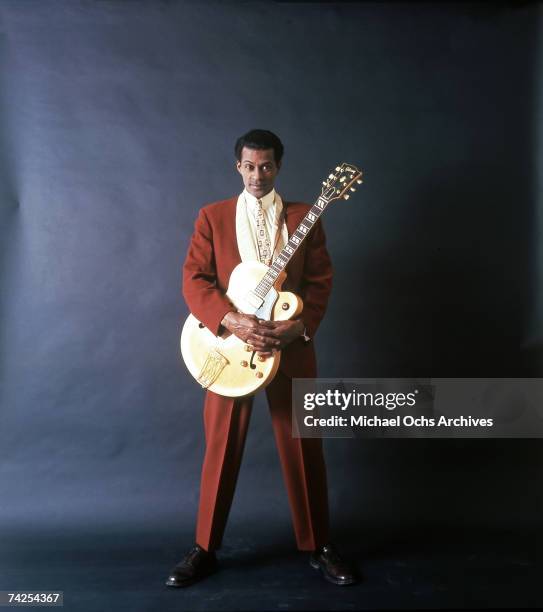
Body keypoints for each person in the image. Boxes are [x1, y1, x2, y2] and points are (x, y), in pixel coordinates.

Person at [166, 129, 357, 587]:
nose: (257, 175)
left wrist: (299, 326)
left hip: (288, 348)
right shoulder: (212, 217)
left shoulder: (306, 216)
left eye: (266, 166)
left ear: (278, 166)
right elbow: (195, 280)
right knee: (220, 448)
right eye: (249, 166)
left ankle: (319, 545)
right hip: (229, 349)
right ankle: (204, 548)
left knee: (304, 447)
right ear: (238, 167)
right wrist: (232, 322)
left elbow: (319, 283)